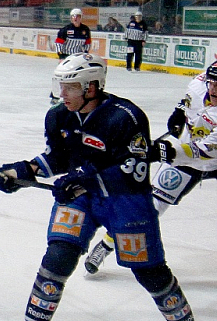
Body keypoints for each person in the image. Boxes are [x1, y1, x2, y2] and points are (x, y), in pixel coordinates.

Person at [0, 52, 210, 321]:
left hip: (125, 200)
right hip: (81, 197)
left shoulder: (125, 116)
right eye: (61, 86)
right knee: (59, 256)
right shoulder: (58, 115)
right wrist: (20, 171)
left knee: (150, 271)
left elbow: (133, 169)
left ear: (91, 87)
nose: (62, 94)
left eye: (70, 87)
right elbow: (58, 158)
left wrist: (81, 177)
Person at [85, 62, 217, 273]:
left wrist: (168, 152)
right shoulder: (198, 84)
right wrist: (179, 111)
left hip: (200, 153)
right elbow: (187, 100)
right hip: (187, 158)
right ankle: (107, 244)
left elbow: (206, 149)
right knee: (150, 206)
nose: (213, 90)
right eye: (212, 83)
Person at [50, 8, 91, 104]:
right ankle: (55, 96)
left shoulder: (85, 30)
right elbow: (58, 44)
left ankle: (78, 95)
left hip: (78, 58)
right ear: (71, 18)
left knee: (78, 77)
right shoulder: (66, 30)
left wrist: (85, 55)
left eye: (78, 16)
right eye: (73, 16)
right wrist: (61, 56)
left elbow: (87, 43)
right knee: (60, 77)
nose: (76, 18)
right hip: (66, 57)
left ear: (81, 18)